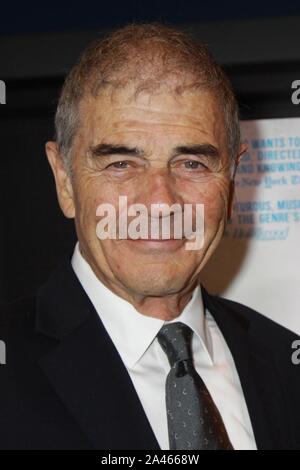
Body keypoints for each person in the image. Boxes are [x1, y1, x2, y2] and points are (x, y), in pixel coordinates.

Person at [1, 22, 300, 450]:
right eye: (121, 163)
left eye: (192, 164)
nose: (159, 204)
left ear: (232, 180)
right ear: (64, 181)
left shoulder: (285, 362)